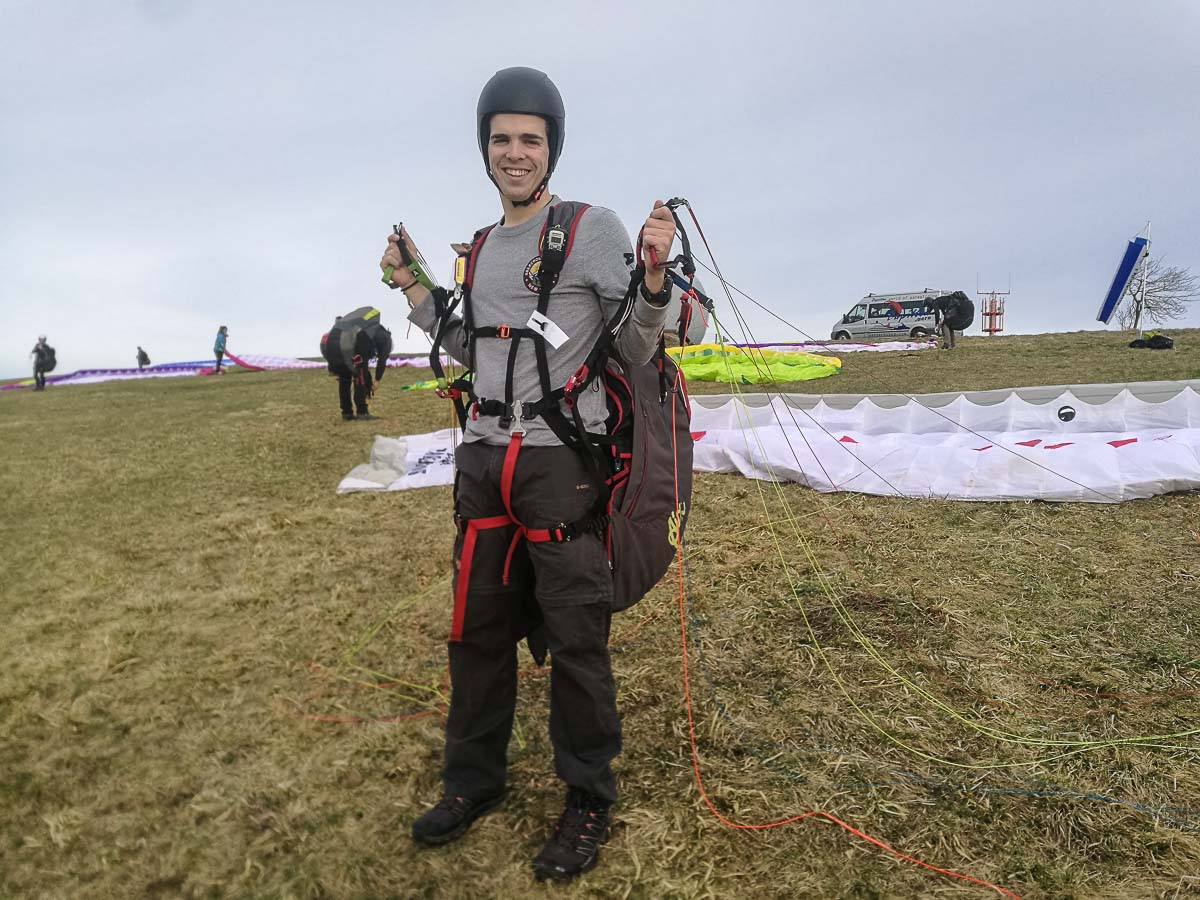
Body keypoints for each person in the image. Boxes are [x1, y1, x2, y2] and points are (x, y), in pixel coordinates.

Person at [380, 66, 677, 882]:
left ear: (553, 148)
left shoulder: (590, 229)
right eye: (502, 139)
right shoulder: (480, 248)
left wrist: (653, 279)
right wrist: (411, 285)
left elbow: (635, 344)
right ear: (484, 148)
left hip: (559, 471)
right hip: (483, 465)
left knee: (577, 641)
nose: (515, 153)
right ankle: (472, 781)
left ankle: (587, 799)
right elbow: (474, 348)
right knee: (475, 635)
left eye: (530, 140)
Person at [320, 309, 392, 421]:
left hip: (332, 344)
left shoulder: (368, 328)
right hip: (350, 347)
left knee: (344, 378)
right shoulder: (384, 339)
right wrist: (377, 380)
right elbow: (381, 360)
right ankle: (362, 412)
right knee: (359, 377)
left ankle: (346, 413)